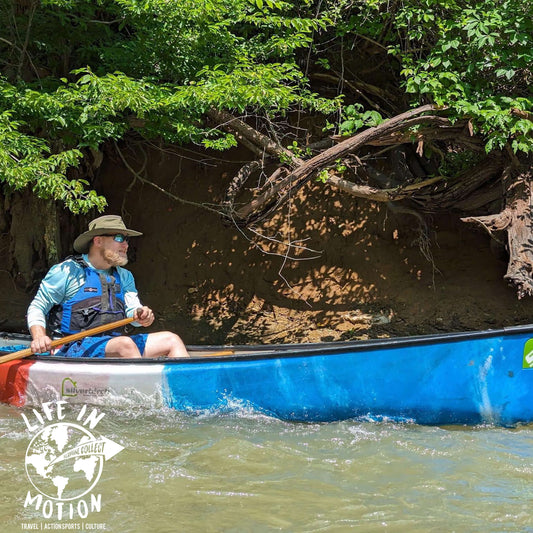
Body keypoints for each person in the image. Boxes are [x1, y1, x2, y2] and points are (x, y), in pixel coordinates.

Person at [27, 215, 190, 359]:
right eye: (119, 238)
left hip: (113, 345)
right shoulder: (68, 271)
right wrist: (39, 336)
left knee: (171, 340)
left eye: (127, 239)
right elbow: (38, 306)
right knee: (125, 345)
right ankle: (142, 391)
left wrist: (142, 316)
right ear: (98, 241)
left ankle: (186, 392)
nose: (126, 245)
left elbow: (134, 314)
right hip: (73, 348)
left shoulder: (125, 276)